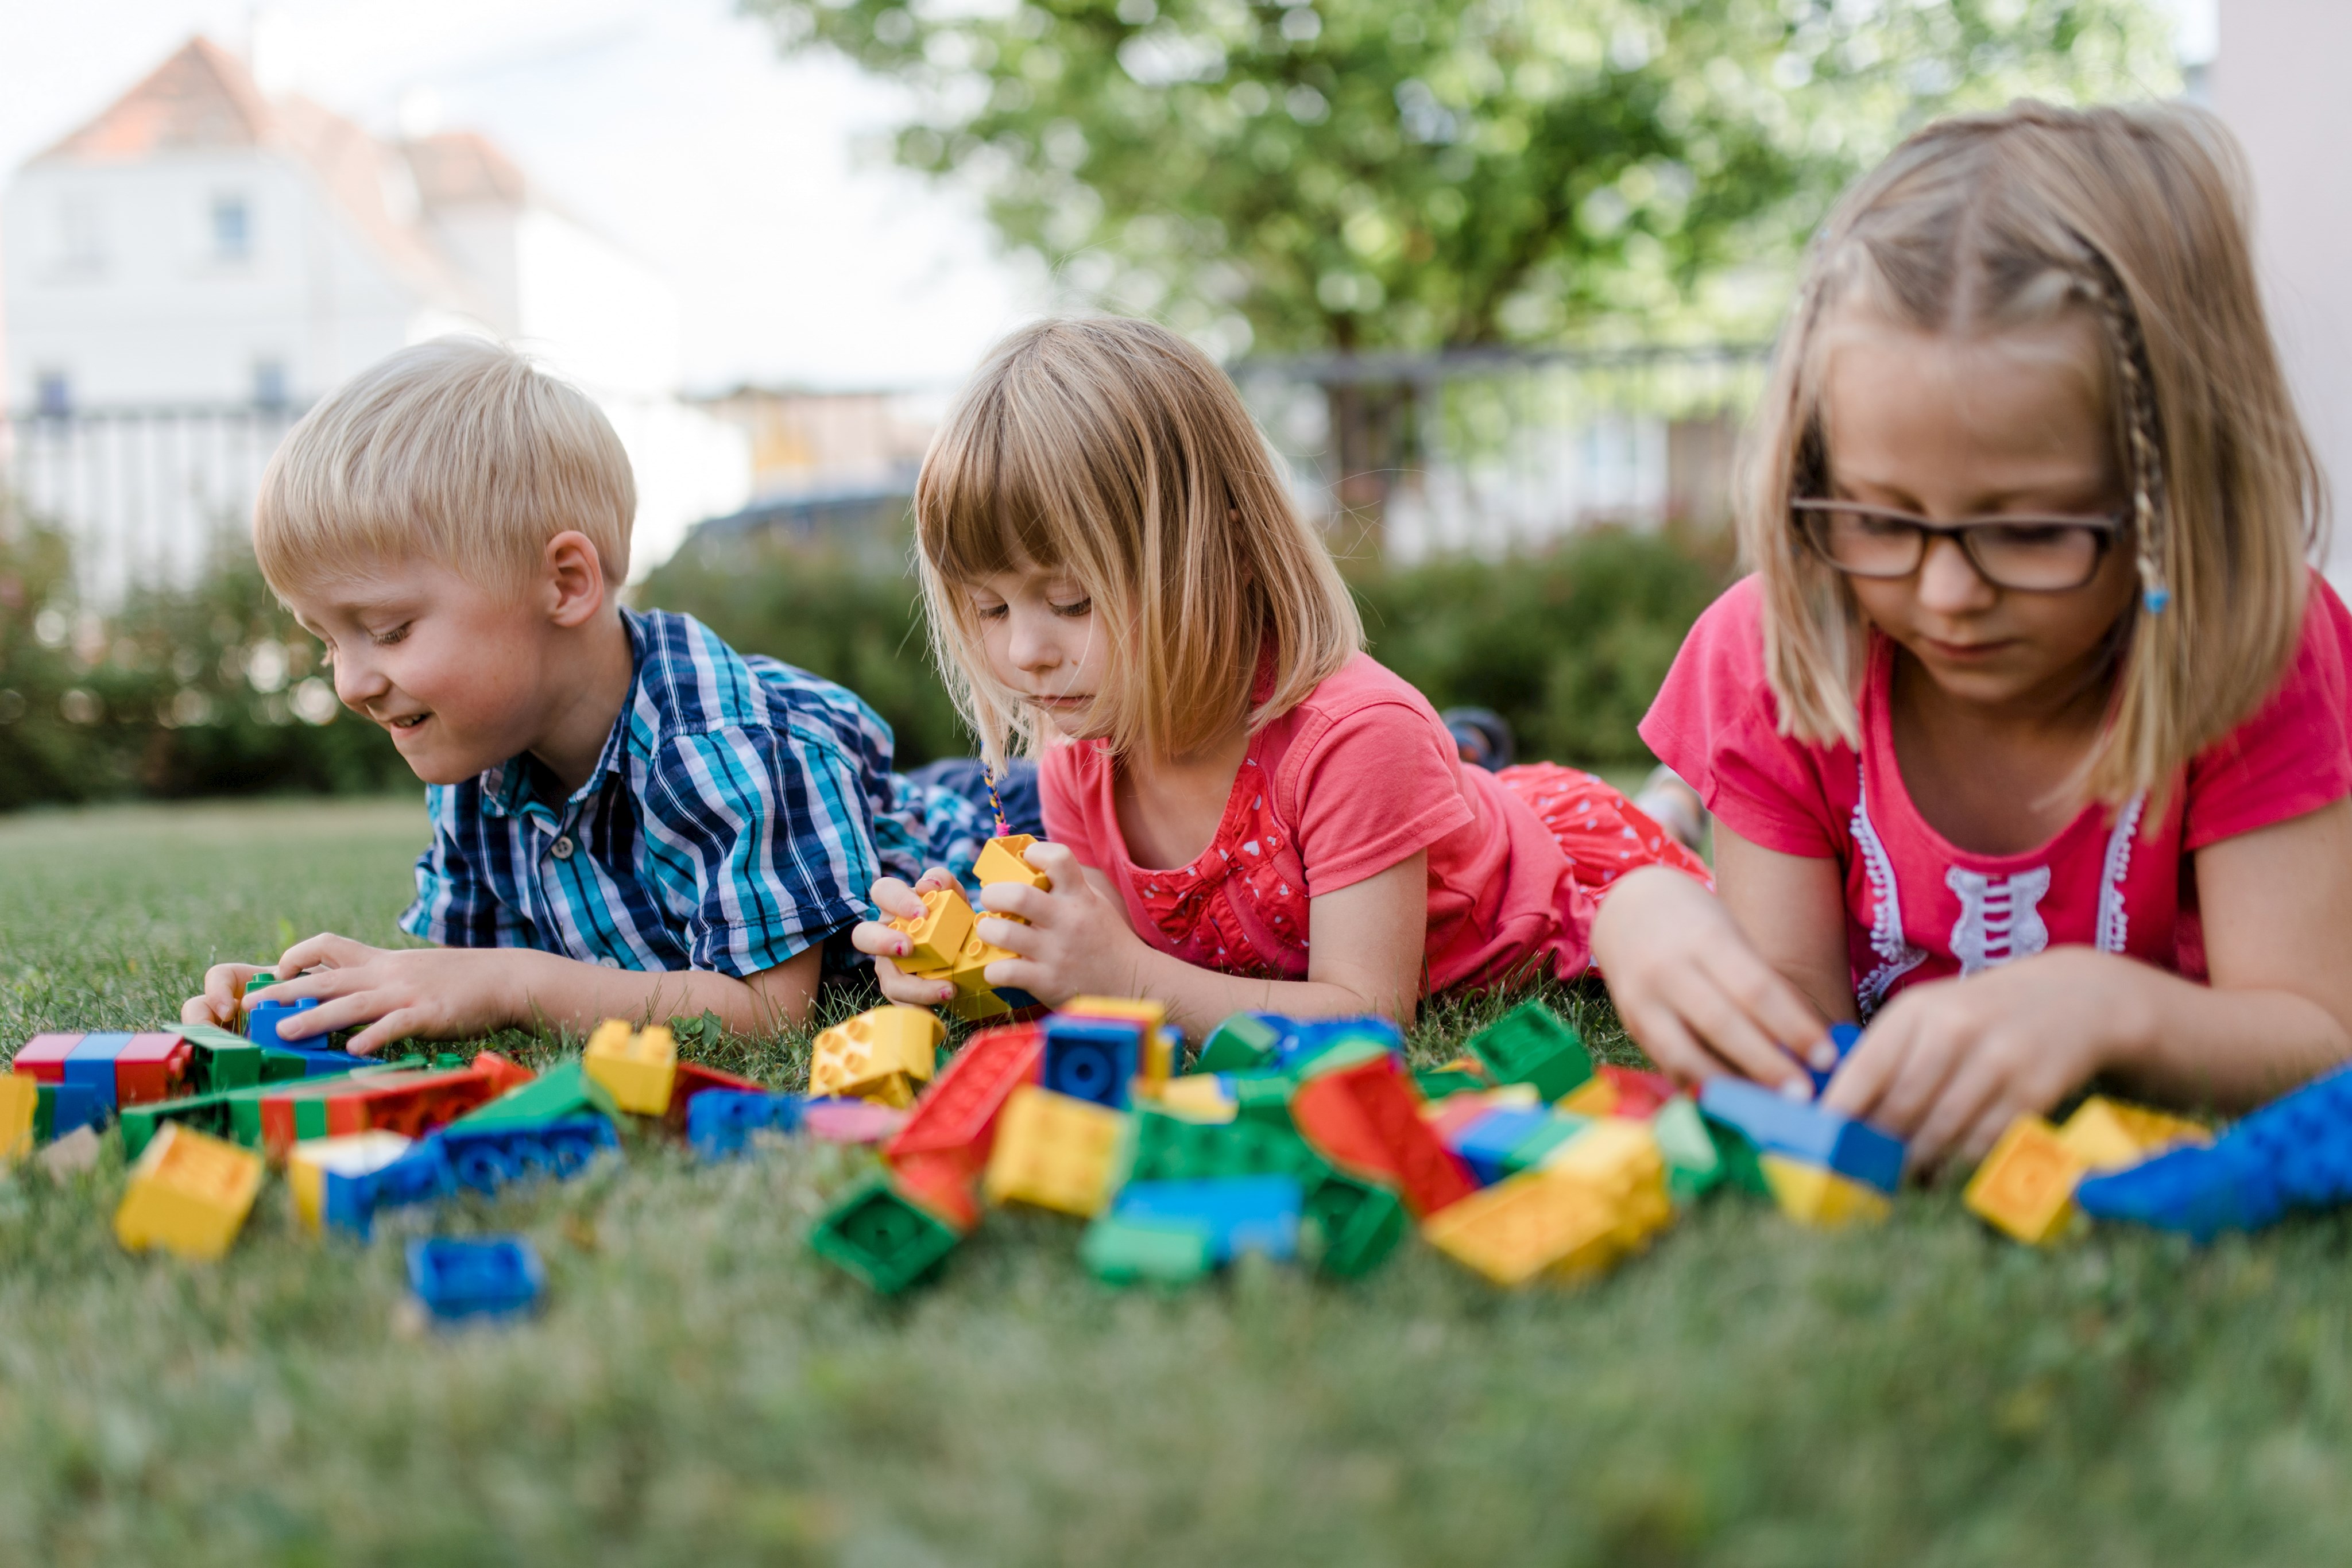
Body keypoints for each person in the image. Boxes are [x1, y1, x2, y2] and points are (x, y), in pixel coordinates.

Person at [1593, 102, 2352, 1167]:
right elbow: (1800, 1051)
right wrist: (1651, 915)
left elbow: (2318, 1039)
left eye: (2033, 530)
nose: (1947, 593)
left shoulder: (2259, 648)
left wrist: (2108, 1008)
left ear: (2176, 493)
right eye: (1879, 519)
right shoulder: (1772, 655)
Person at [849, 316, 1709, 1040]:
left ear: (1218, 553)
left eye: (1071, 600)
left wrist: (1129, 979)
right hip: (1436, 812)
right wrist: (981, 949)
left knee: (1634, 839)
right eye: (991, 611)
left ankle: (1677, 796)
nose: (1025, 652)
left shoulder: (1357, 737)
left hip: (1557, 871)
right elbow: (1100, 964)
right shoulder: (1079, 752)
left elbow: (1369, 1016)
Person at [180, 336, 1029, 1053]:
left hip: (1011, 827)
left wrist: (514, 982)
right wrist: (289, 998)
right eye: (329, 640)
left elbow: (771, 1015)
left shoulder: (722, 747)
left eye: (391, 630)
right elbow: (451, 982)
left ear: (564, 582)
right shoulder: (479, 761)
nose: (353, 683)